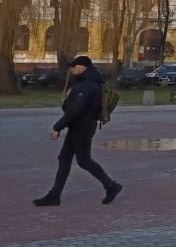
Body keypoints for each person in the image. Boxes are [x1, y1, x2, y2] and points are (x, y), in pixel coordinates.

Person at [33, 56, 122, 206]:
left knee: (84, 161)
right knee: (65, 159)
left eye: (74, 67)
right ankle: (55, 195)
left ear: (82, 67)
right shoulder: (89, 83)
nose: (71, 69)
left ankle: (111, 185)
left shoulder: (86, 86)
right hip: (80, 127)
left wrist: (57, 127)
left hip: (82, 128)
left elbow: (75, 110)